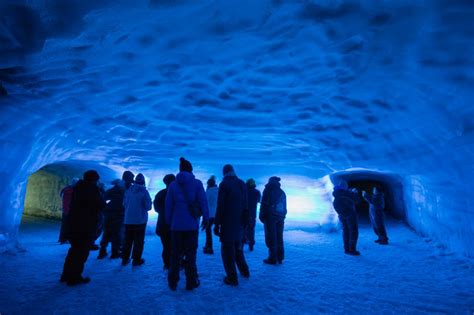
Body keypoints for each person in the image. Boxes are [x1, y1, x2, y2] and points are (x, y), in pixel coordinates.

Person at [165, 157, 209, 291]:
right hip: (191, 226)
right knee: (191, 254)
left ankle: (173, 282)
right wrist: (206, 219)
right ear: (191, 169)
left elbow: (168, 206)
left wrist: (169, 222)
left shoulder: (173, 185)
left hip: (176, 226)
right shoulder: (197, 184)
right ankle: (191, 282)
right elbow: (203, 203)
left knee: (175, 254)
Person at [60, 170, 105, 286]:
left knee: (74, 250)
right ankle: (74, 277)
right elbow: (100, 205)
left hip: (74, 224)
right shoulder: (92, 190)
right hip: (85, 226)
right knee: (81, 252)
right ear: (94, 180)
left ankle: (66, 275)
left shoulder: (78, 188)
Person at [214, 164, 250, 286]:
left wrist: (217, 223)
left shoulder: (224, 185)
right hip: (240, 222)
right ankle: (245, 271)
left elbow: (221, 206)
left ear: (224, 173)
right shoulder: (242, 183)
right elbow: (246, 204)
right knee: (238, 248)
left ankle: (232, 278)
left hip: (227, 222)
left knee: (227, 250)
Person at [121, 173, 152, 266]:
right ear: (143, 182)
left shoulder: (128, 191)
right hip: (140, 220)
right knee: (138, 240)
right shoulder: (144, 192)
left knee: (127, 240)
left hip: (128, 220)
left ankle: (125, 259)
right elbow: (148, 207)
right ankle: (136, 260)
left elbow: (124, 204)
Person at [259, 176, 287, 265]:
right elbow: (285, 207)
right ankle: (280, 257)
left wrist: (262, 216)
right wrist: (283, 216)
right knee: (279, 237)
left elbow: (263, 204)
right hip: (280, 217)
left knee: (271, 237)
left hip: (270, 217)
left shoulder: (268, 190)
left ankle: (272, 258)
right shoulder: (282, 192)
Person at [98, 179, 126, 259]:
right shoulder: (122, 192)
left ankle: (102, 251)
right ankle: (115, 252)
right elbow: (124, 204)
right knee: (116, 234)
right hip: (118, 215)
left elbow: (103, 200)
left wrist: (106, 209)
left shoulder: (109, 191)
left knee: (106, 233)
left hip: (108, 215)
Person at [332, 181, 362, 256]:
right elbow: (357, 200)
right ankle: (352, 249)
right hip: (350, 215)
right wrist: (354, 193)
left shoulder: (336, 194)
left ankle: (346, 249)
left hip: (342, 215)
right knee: (353, 231)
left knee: (346, 231)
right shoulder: (346, 194)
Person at [154, 174, 176, 269]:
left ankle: (167, 263)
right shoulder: (177, 193)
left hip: (162, 224)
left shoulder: (160, 193)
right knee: (176, 245)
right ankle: (176, 262)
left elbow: (156, 208)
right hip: (175, 224)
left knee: (166, 245)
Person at [58, 177, 79, 244]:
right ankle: (64, 239)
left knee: (65, 225)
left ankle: (62, 238)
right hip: (70, 210)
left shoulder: (66, 188)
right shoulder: (73, 190)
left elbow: (61, 195)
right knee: (68, 225)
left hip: (66, 210)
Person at [243, 178, 261, 251]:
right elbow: (259, 200)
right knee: (251, 229)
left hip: (244, 212)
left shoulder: (244, 191)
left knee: (243, 228)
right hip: (252, 213)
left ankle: (243, 242)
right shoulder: (257, 192)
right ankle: (251, 244)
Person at [203, 175, 218, 254]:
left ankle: (209, 247)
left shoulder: (208, 192)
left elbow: (205, 203)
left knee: (208, 230)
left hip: (210, 215)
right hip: (218, 214)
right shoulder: (218, 190)